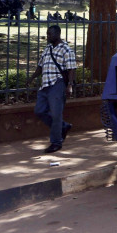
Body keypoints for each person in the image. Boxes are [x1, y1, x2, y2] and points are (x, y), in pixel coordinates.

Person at [27, 24, 76, 153]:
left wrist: (69, 85)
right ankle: (63, 127)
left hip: (57, 83)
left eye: (50, 34)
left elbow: (71, 69)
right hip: (45, 85)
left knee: (56, 114)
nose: (48, 36)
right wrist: (32, 77)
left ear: (58, 34)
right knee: (39, 110)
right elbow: (40, 66)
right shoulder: (47, 48)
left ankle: (56, 142)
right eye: (47, 34)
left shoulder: (66, 49)